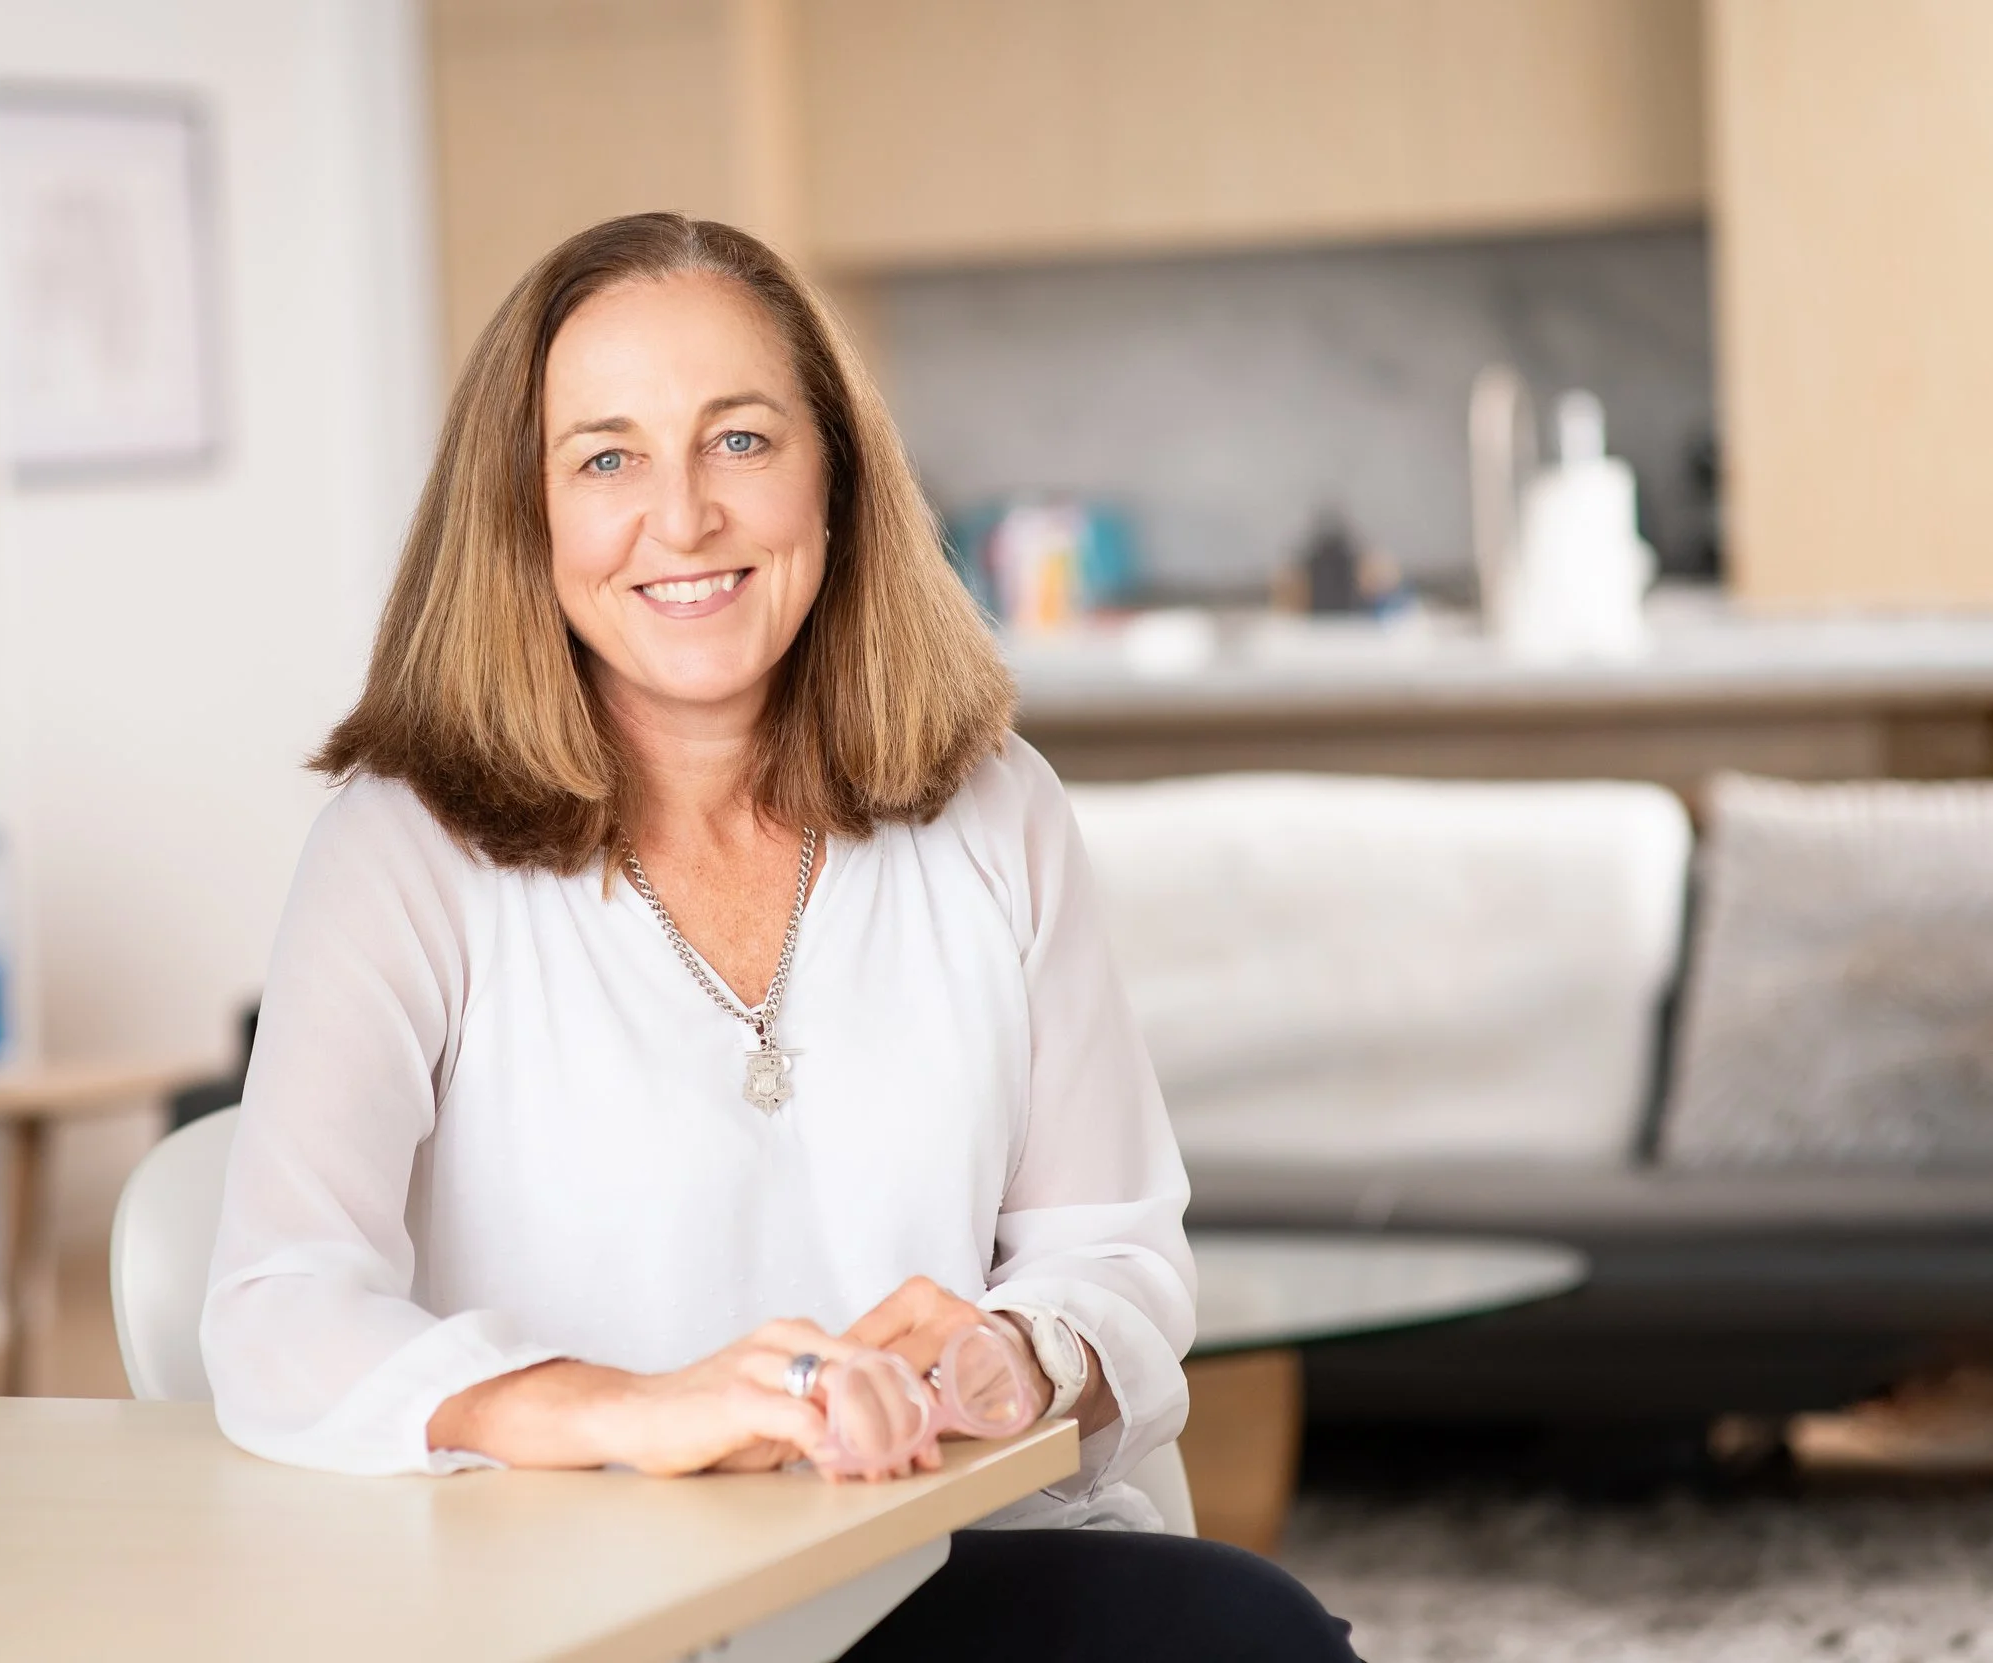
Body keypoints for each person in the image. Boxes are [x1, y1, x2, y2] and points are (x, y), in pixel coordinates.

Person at [202, 211, 1356, 1660]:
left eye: (740, 440)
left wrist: (1018, 1354)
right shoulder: (403, 842)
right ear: (526, 511)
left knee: (1257, 1636)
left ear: (837, 474)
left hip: (927, 1562)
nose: (682, 518)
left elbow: (1115, 1250)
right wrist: (639, 1408)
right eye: (606, 456)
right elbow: (275, 1307)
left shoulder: (996, 810)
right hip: (580, 1592)